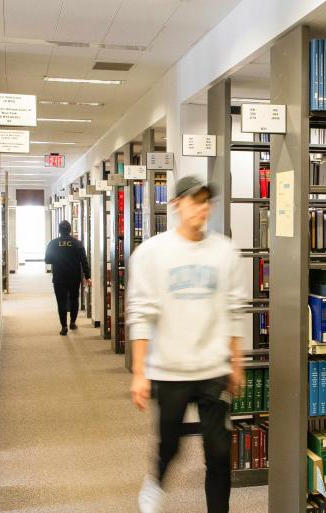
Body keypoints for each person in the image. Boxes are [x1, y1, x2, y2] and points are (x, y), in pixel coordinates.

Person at [127, 176, 247, 513]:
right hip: (170, 369)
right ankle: (155, 481)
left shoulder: (225, 250)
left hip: (214, 368)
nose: (203, 208)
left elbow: (233, 309)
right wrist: (139, 373)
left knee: (220, 454)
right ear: (177, 204)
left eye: (207, 201)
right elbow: (140, 314)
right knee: (170, 446)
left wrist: (236, 363)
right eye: (195, 201)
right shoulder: (151, 253)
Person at [44, 220, 91, 336]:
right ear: (70, 230)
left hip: (59, 277)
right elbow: (84, 261)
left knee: (61, 301)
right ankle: (73, 322)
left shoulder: (53, 243)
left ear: (59, 230)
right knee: (74, 299)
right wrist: (87, 276)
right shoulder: (77, 243)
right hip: (74, 277)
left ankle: (64, 326)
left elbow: (47, 260)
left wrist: (58, 259)